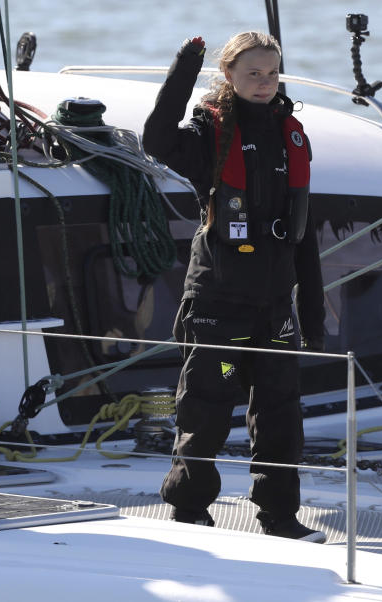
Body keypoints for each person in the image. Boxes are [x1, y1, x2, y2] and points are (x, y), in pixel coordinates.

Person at [142, 32, 326, 543]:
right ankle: (190, 513)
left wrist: (313, 316)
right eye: (253, 74)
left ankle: (279, 517)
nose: (265, 84)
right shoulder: (209, 136)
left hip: (275, 309)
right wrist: (184, 67)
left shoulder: (292, 137)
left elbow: (303, 234)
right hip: (218, 306)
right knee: (205, 408)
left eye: (272, 74)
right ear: (229, 76)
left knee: (280, 414)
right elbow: (155, 140)